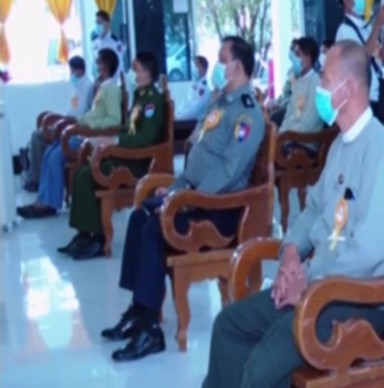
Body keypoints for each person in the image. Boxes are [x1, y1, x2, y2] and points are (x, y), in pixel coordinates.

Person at [202, 40, 384, 388]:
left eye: (325, 79)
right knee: (229, 326)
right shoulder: (341, 145)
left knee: (261, 366)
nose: (319, 89)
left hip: (356, 300)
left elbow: (369, 251)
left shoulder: (382, 153)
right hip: (319, 286)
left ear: (348, 88)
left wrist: (311, 286)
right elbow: (313, 209)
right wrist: (290, 255)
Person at [100, 36, 265, 362]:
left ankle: (151, 332)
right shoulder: (220, 105)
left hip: (220, 209)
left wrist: (190, 198)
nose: (218, 65)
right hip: (196, 198)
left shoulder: (247, 114)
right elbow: (198, 161)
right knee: (140, 216)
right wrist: (176, 188)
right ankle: (141, 311)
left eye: (222, 59)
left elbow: (230, 170)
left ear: (237, 66)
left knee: (154, 227)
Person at [58, 51, 168, 261]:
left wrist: (116, 142)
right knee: (82, 172)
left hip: (138, 161)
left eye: (137, 70)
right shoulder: (140, 96)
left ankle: (98, 240)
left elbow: (145, 138)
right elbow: (128, 128)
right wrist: (107, 139)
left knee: (87, 175)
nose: (133, 74)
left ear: (147, 73)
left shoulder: (152, 101)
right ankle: (84, 234)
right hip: (127, 154)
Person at [17, 50, 121, 218]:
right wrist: (79, 120)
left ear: (106, 65)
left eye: (99, 62)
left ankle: (50, 204)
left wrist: (87, 124)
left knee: (56, 156)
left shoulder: (112, 89)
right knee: (49, 151)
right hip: (83, 132)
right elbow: (93, 114)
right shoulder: (102, 87)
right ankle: (42, 200)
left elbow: (114, 120)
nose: (96, 65)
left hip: (92, 137)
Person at [24, 56, 95, 192]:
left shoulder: (87, 87)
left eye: (72, 71)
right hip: (66, 122)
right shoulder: (77, 86)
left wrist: (63, 121)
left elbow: (81, 112)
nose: (70, 74)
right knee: (38, 138)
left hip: (73, 126)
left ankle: (36, 180)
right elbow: (71, 108)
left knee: (38, 137)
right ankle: (37, 179)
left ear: (80, 71)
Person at [334, 0, 384, 120]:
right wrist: (377, 25)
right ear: (347, 0)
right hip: (362, 101)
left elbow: (381, 60)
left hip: (376, 96)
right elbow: (362, 58)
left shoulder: (364, 27)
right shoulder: (345, 31)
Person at [278, 37, 324, 157]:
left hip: (305, 144)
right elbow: (289, 114)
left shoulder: (316, 83)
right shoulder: (298, 82)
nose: (294, 59)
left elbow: (309, 122)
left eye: (297, 55)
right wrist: (280, 135)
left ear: (308, 58)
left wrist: (285, 138)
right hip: (289, 140)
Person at [176, 56, 211, 121]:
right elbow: (186, 100)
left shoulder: (204, 88)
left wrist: (181, 117)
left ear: (203, 69)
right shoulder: (195, 84)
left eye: (197, 66)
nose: (194, 69)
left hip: (194, 121)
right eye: (193, 66)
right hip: (185, 118)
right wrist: (179, 112)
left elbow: (195, 108)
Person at [91, 10, 125, 76]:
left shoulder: (116, 43)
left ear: (107, 24)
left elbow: (120, 65)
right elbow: (94, 62)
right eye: (96, 23)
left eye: (100, 23)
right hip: (98, 77)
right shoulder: (94, 42)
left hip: (112, 78)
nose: (97, 26)